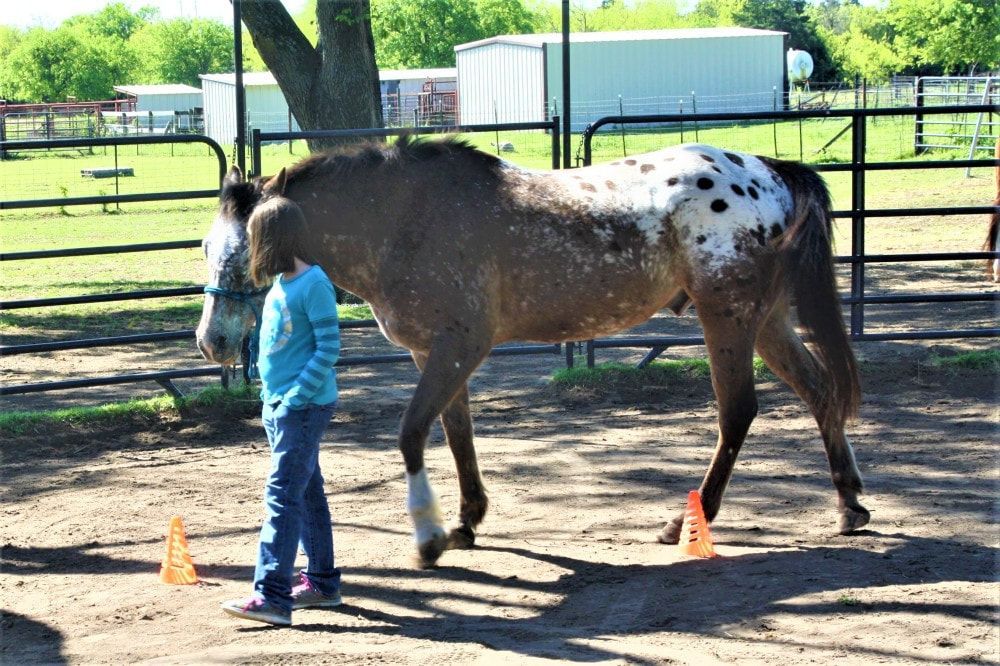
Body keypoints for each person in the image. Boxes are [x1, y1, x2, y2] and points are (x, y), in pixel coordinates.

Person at [221, 197, 343, 626]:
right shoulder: (281, 284)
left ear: (272, 240)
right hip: (281, 407)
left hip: (303, 408)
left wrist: (293, 398)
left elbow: (330, 348)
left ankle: (272, 595)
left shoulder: (315, 285)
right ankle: (323, 583)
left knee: (281, 498)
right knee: (307, 493)